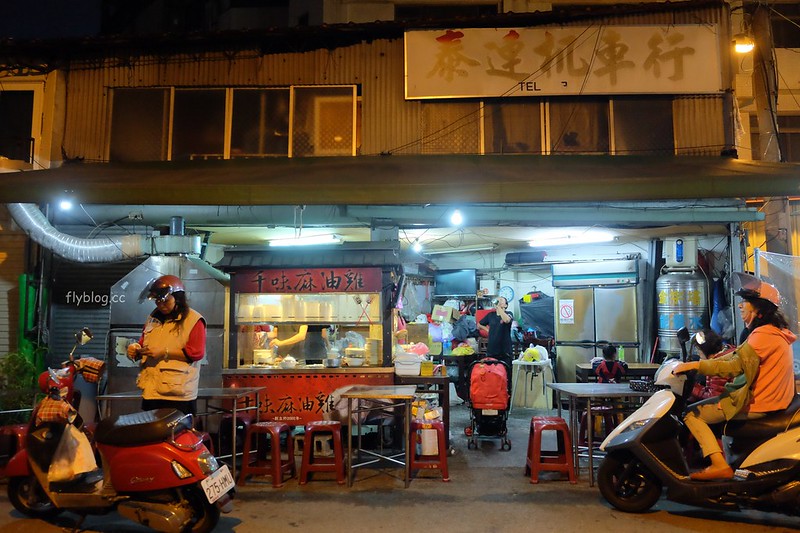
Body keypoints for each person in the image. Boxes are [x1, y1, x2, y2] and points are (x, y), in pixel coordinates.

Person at [673, 273, 796, 481]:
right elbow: (737, 354)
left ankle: (719, 465)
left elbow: (733, 366)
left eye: (746, 302)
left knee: (691, 414)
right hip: (773, 401)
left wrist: (696, 364)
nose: (740, 306)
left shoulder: (763, 336)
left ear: (760, 310)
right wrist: (700, 362)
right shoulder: (774, 333)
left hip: (759, 403)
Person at [127, 275, 206, 416]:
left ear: (178, 298)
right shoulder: (153, 319)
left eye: (165, 300)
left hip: (177, 394)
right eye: (157, 301)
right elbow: (143, 342)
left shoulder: (193, 320)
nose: (160, 304)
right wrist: (136, 349)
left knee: (176, 434)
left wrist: (165, 352)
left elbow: (196, 353)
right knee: (149, 434)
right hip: (151, 391)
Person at [687, 329, 735, 402]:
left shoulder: (717, 367)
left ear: (706, 350)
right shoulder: (730, 350)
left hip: (725, 404)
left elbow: (712, 398)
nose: (699, 355)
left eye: (699, 351)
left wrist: (692, 388)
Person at [478, 296, 513, 364]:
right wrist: (488, 330)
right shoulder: (490, 315)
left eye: (501, 300)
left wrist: (499, 308)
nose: (499, 301)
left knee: (505, 371)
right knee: (492, 372)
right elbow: (479, 325)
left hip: (505, 351)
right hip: (492, 350)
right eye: (498, 300)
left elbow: (506, 320)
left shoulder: (509, 314)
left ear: (506, 305)